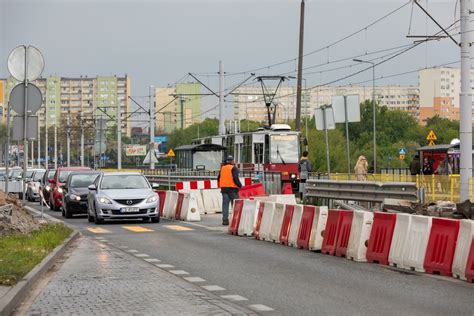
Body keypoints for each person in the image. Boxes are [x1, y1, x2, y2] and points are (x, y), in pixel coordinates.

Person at [217, 155, 242, 226]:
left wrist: (222, 185)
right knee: (235, 205)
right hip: (232, 189)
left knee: (225, 205)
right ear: (232, 161)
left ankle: (225, 221)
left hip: (224, 189)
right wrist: (240, 185)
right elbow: (235, 178)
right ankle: (236, 220)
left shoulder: (222, 168)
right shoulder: (234, 168)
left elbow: (218, 178)